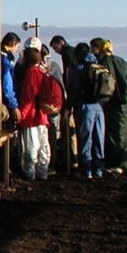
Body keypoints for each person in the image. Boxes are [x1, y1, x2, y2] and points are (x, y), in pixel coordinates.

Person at [16, 37, 63, 180]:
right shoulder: (43, 72)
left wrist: (20, 115)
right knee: (43, 147)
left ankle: (30, 174)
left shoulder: (29, 73)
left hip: (31, 116)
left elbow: (27, 96)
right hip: (42, 115)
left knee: (31, 147)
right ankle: (42, 172)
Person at [91, 38, 127, 173]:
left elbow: (106, 84)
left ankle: (118, 162)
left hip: (114, 104)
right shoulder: (120, 61)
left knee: (116, 134)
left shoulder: (105, 63)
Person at [68, 41, 106, 179]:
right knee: (98, 138)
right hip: (99, 106)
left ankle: (87, 170)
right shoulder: (98, 65)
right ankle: (99, 169)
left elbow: (74, 89)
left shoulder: (78, 68)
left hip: (84, 106)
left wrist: (69, 106)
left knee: (85, 138)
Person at [49, 35, 78, 172]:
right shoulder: (72, 52)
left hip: (72, 96)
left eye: (56, 47)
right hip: (77, 95)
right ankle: (73, 160)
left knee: (68, 127)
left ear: (61, 43)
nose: (56, 51)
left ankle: (71, 160)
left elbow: (69, 73)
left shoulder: (67, 53)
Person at [0, 32, 21, 130]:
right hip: (6, 103)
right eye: (17, 46)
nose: (16, 50)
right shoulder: (5, 61)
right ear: (13, 44)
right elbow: (7, 85)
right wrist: (14, 105)